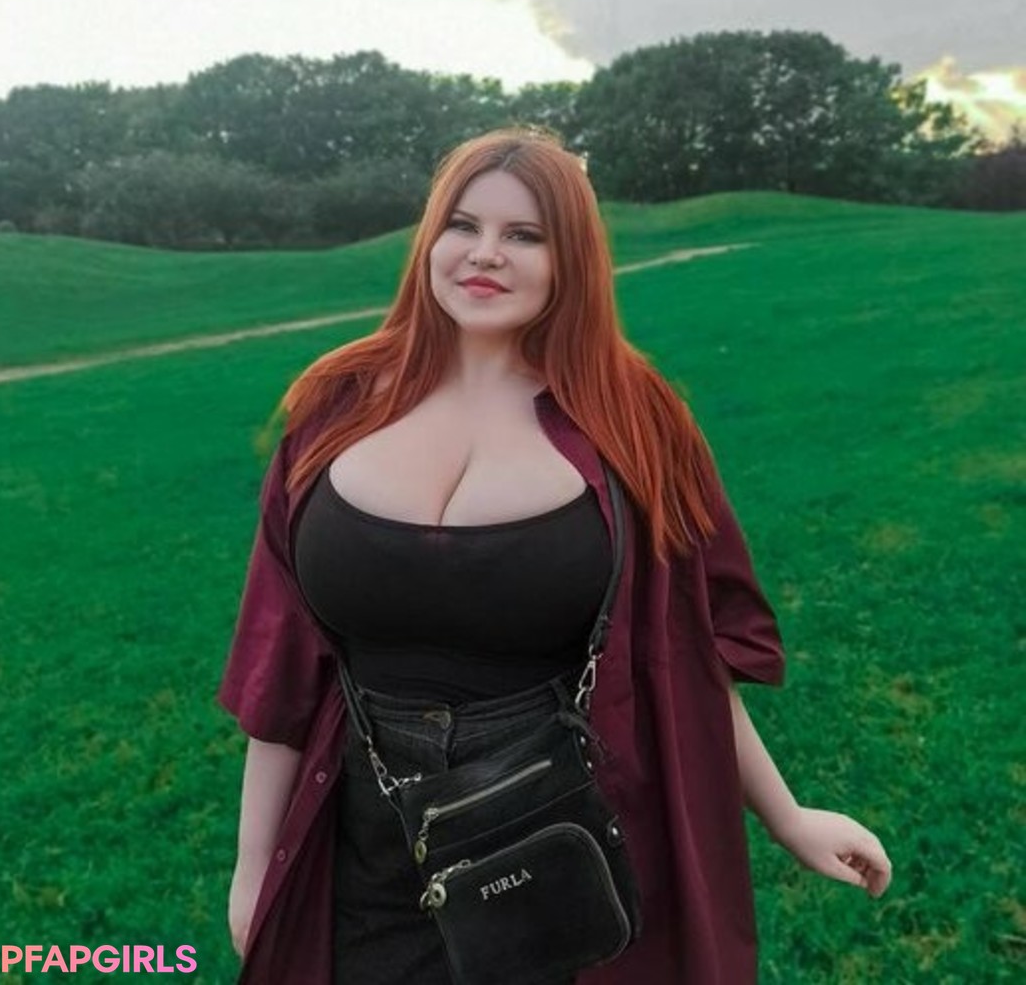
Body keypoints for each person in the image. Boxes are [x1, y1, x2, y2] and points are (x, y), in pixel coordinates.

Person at [219, 126, 892, 984]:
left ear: (570, 257)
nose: (484, 254)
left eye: (524, 234)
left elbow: (681, 651)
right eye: (463, 225)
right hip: (365, 846)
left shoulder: (635, 421)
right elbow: (282, 661)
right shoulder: (338, 405)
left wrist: (787, 815)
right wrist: (254, 867)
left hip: (558, 844)